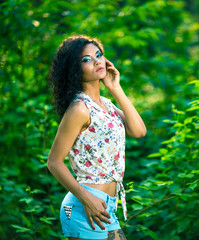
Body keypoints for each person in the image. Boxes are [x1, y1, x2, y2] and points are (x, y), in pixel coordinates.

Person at [47, 35, 146, 240]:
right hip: (84, 205)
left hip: (106, 206)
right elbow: (54, 162)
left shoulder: (106, 105)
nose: (97, 61)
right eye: (86, 59)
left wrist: (115, 88)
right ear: (75, 70)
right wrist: (87, 199)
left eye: (98, 55)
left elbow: (139, 131)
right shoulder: (79, 109)